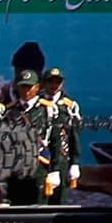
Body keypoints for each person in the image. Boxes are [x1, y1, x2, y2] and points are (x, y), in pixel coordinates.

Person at [23, 68, 83, 203]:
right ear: (43, 83)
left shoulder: (69, 106)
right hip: (40, 158)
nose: (54, 85)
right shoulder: (36, 104)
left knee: (59, 199)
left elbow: (74, 136)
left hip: (61, 158)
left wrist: (75, 162)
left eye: (58, 82)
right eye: (50, 81)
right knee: (38, 198)